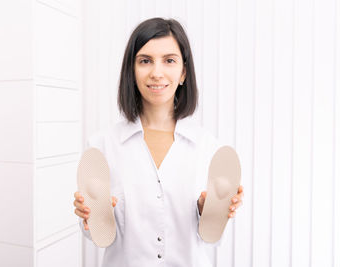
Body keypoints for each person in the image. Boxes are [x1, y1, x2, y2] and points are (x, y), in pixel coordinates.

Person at [73, 17, 244, 266]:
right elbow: (96, 235)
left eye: (169, 60)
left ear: (183, 72)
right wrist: (88, 216)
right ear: (131, 71)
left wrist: (205, 211)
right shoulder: (102, 146)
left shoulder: (209, 149)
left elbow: (212, 240)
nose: (156, 72)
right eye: (145, 61)